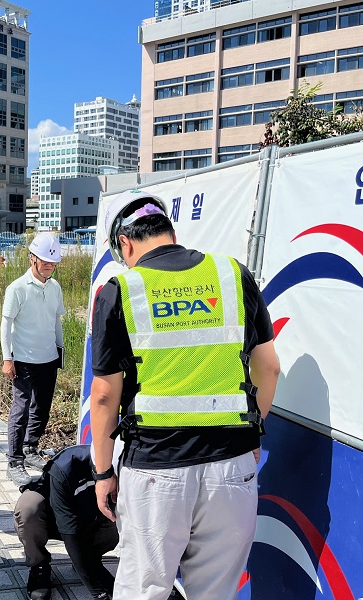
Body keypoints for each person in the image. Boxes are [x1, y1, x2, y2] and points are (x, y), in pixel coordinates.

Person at [89, 189, 281, 600]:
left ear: (125, 243)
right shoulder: (232, 274)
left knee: (144, 589)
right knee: (215, 592)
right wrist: (252, 433)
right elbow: (269, 368)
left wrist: (103, 473)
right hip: (231, 467)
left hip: (157, 470)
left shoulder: (118, 290)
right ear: (169, 232)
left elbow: (104, 396)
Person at [14, 445, 118, 600]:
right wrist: (99, 593)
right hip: (54, 519)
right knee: (28, 507)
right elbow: (70, 532)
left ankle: (91, 559)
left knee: (120, 518)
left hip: (89, 518)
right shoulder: (66, 465)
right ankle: (39, 566)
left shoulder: (125, 469)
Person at [2, 232, 65, 486]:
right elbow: (5, 325)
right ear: (32, 259)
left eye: (53, 262)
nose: (49, 265)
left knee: (42, 408)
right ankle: (14, 460)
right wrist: (8, 359)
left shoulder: (55, 287)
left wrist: (60, 349)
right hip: (24, 360)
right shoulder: (16, 288)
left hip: (48, 358)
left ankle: (30, 449)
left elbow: (56, 320)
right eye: (45, 261)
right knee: (21, 409)